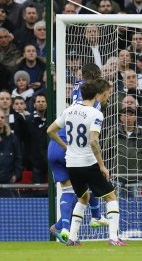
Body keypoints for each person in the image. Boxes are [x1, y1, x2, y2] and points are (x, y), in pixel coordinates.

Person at [47, 79, 127, 246]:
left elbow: (50, 130)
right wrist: (102, 166)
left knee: (83, 198)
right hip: (88, 162)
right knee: (111, 197)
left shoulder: (69, 110)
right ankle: (113, 237)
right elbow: (93, 141)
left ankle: (72, 238)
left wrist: (65, 147)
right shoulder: (96, 114)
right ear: (99, 95)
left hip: (71, 163)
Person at [48, 64, 108, 243]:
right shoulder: (94, 102)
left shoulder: (77, 88)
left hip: (55, 144)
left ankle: (62, 227)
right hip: (74, 145)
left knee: (71, 190)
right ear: (96, 77)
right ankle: (96, 216)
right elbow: (92, 137)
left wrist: (55, 72)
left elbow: (51, 129)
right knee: (87, 181)